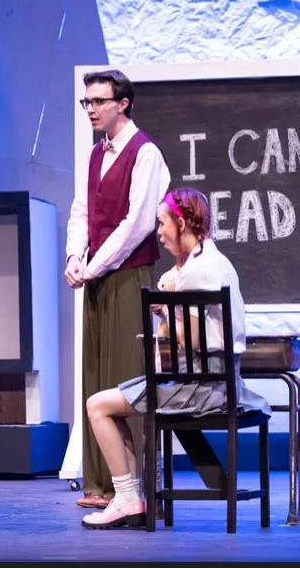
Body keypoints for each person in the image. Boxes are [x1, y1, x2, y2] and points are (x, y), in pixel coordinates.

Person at [81, 188, 271, 528]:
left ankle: (126, 498)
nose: (159, 232)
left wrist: (167, 308)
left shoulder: (198, 271)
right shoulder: (213, 262)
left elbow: (192, 342)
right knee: (114, 405)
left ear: (181, 224)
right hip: (217, 382)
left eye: (162, 224)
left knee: (97, 405)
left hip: (200, 387)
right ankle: (132, 497)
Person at [65, 69, 171, 509]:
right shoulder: (96, 154)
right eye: (86, 102)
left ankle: (135, 486)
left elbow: (137, 224)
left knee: (128, 379)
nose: (90, 109)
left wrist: (93, 266)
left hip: (128, 276)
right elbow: (82, 211)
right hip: (97, 276)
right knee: (96, 374)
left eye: (98, 101)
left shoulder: (145, 152)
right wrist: (74, 257)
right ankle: (103, 485)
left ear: (122, 103)